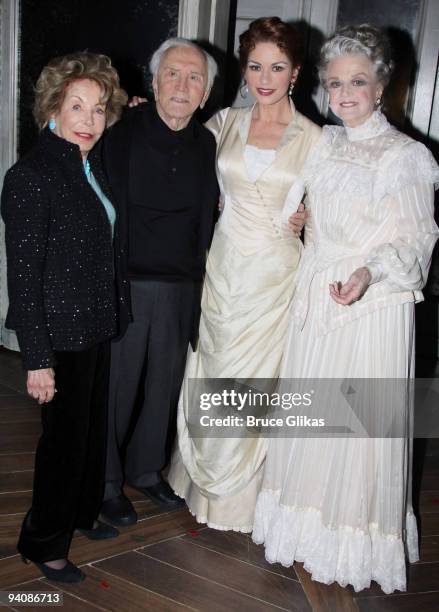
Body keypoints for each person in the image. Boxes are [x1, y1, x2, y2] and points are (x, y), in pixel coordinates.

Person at [252, 25, 439, 594]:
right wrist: (305, 219)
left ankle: (354, 539)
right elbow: (312, 201)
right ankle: (304, 531)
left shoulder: (407, 156)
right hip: (317, 296)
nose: (345, 93)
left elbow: (415, 241)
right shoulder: (327, 141)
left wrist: (367, 273)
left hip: (371, 306)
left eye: (358, 81)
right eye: (335, 84)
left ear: (383, 83)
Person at [167, 17, 321, 531]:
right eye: (255, 65)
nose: (265, 77)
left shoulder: (317, 139)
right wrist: (144, 112)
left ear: (296, 71)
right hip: (223, 266)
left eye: (277, 66)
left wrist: (309, 218)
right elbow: (177, 148)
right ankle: (199, 485)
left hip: (276, 276)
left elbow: (337, 210)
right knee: (213, 368)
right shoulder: (224, 123)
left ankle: (244, 501)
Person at [1, 52, 129, 582]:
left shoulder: (87, 162)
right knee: (62, 444)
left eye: (98, 109)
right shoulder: (31, 176)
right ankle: (43, 541)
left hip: (94, 325)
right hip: (59, 335)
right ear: (52, 108)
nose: (88, 119)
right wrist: (37, 360)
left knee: (90, 433)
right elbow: (24, 280)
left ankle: (80, 514)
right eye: (76, 106)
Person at [99, 38, 220, 527]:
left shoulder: (208, 143)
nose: (182, 85)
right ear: (153, 83)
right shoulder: (120, 129)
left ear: (206, 91)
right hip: (124, 279)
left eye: (194, 78)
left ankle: (147, 470)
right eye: (173, 74)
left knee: (164, 384)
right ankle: (105, 481)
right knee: (117, 387)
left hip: (182, 285)